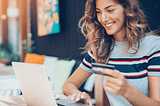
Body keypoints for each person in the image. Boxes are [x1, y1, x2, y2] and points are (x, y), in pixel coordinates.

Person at [62, 0, 160, 105]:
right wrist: (79, 95)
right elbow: (68, 84)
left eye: (110, 10)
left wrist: (127, 91)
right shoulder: (101, 48)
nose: (103, 19)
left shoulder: (153, 46)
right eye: (98, 12)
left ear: (127, 9)